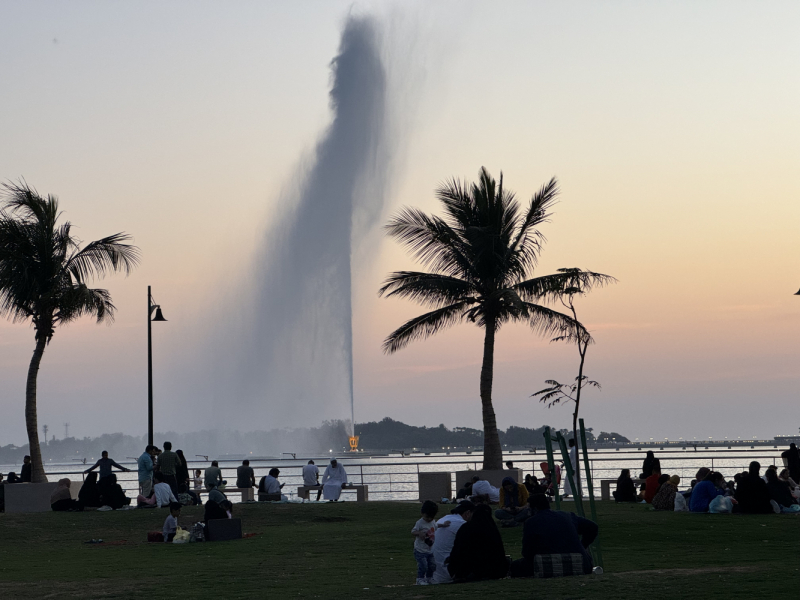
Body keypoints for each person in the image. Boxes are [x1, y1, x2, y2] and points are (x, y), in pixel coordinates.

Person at [509, 493, 598, 578]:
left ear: (534, 508)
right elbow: (593, 527)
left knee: (515, 566)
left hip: (546, 565)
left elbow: (527, 552)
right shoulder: (568, 516)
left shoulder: (531, 522)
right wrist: (583, 545)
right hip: (582, 564)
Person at [447, 503, 508, 581]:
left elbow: (458, 550)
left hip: (470, 571)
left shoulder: (466, 528)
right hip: (494, 571)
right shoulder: (492, 529)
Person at [431, 501, 474, 584]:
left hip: (434, 573)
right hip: (448, 572)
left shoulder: (443, 519)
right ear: (468, 513)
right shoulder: (462, 525)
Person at [411, 500, 444, 585]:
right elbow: (413, 531)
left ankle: (429, 578)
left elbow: (436, 526)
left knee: (432, 565)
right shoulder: (420, 523)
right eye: (427, 517)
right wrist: (419, 533)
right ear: (422, 513)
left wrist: (443, 525)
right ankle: (420, 578)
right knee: (423, 566)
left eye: (431, 517)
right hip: (420, 550)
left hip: (430, 550)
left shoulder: (432, 522)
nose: (429, 519)